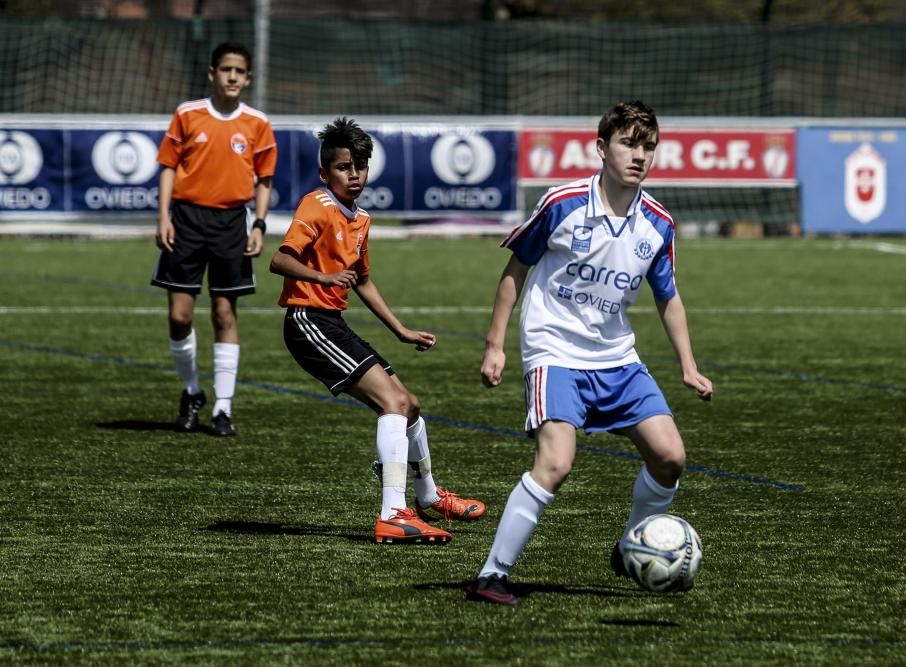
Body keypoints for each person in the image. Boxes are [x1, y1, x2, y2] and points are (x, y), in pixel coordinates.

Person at [465, 101, 713, 605]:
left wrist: (688, 365)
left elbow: (668, 297)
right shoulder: (563, 202)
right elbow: (515, 271)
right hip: (554, 351)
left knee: (670, 457)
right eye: (628, 143)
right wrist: (495, 345)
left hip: (617, 357)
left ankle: (631, 545)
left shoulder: (658, 224)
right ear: (602, 148)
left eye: (647, 146)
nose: (638, 155)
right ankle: (491, 575)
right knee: (555, 463)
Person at [269, 117, 486, 543]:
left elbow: (363, 280)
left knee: (410, 405)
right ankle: (393, 513)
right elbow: (280, 260)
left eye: (360, 166)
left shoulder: (361, 219)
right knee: (392, 402)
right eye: (344, 167)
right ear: (324, 173)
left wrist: (401, 330)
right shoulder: (317, 206)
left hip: (332, 323)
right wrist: (323, 279)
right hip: (307, 321)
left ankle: (427, 497)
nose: (354, 175)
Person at [151, 41, 277, 437]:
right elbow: (168, 167)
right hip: (186, 221)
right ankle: (191, 391)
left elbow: (265, 179)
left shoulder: (257, 123)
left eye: (240, 71)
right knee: (179, 316)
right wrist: (163, 217)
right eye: (226, 70)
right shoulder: (187, 114)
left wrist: (258, 224)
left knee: (225, 313)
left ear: (248, 78)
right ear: (212, 74)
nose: (233, 77)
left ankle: (223, 407)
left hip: (230, 224)